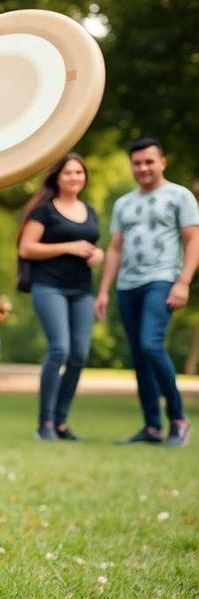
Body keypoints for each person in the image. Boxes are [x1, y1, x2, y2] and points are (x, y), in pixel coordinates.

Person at [95, 138, 199, 447]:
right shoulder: (123, 204)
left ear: (162, 162)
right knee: (140, 356)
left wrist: (183, 282)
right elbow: (115, 248)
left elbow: (193, 240)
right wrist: (104, 291)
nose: (143, 168)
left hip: (162, 279)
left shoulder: (179, 196)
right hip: (128, 285)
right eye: (137, 162)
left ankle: (178, 420)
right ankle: (152, 426)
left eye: (149, 161)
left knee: (151, 345)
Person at [19, 153, 104, 441]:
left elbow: (91, 245)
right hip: (49, 287)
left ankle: (60, 422)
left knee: (79, 355)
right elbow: (26, 248)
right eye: (69, 172)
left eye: (80, 172)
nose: (75, 177)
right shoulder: (44, 211)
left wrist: (98, 254)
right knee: (60, 350)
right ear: (57, 177)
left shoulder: (89, 211)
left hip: (82, 290)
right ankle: (44, 425)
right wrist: (69, 246)